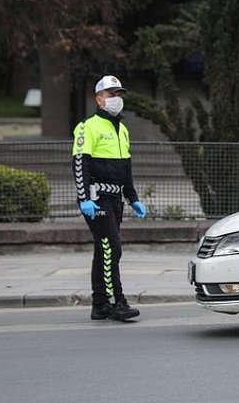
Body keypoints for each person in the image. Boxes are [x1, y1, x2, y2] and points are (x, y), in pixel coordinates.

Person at [72, 75, 147, 321]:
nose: (117, 99)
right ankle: (117, 303)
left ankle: (100, 304)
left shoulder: (122, 129)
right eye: (111, 94)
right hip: (96, 199)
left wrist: (132, 197)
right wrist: (84, 198)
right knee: (112, 249)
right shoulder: (87, 126)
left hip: (115, 200)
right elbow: (80, 164)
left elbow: (126, 168)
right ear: (99, 99)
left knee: (102, 250)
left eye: (119, 94)